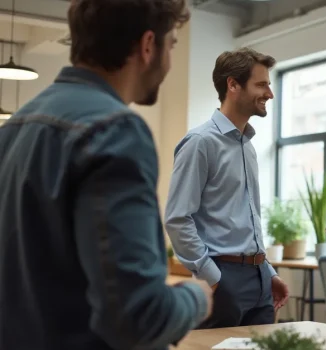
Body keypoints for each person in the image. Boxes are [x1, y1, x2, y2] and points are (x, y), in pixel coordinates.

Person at [0, 1, 213, 349]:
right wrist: (197, 297)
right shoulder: (115, 130)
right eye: (171, 44)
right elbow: (138, 316)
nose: (170, 60)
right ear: (148, 45)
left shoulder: (15, 127)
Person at [165, 48, 289, 329]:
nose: (269, 93)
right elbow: (177, 219)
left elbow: (247, 220)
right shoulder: (200, 142)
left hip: (259, 279)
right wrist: (215, 278)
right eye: (262, 84)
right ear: (233, 85)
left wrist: (267, 273)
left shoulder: (248, 145)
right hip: (224, 277)